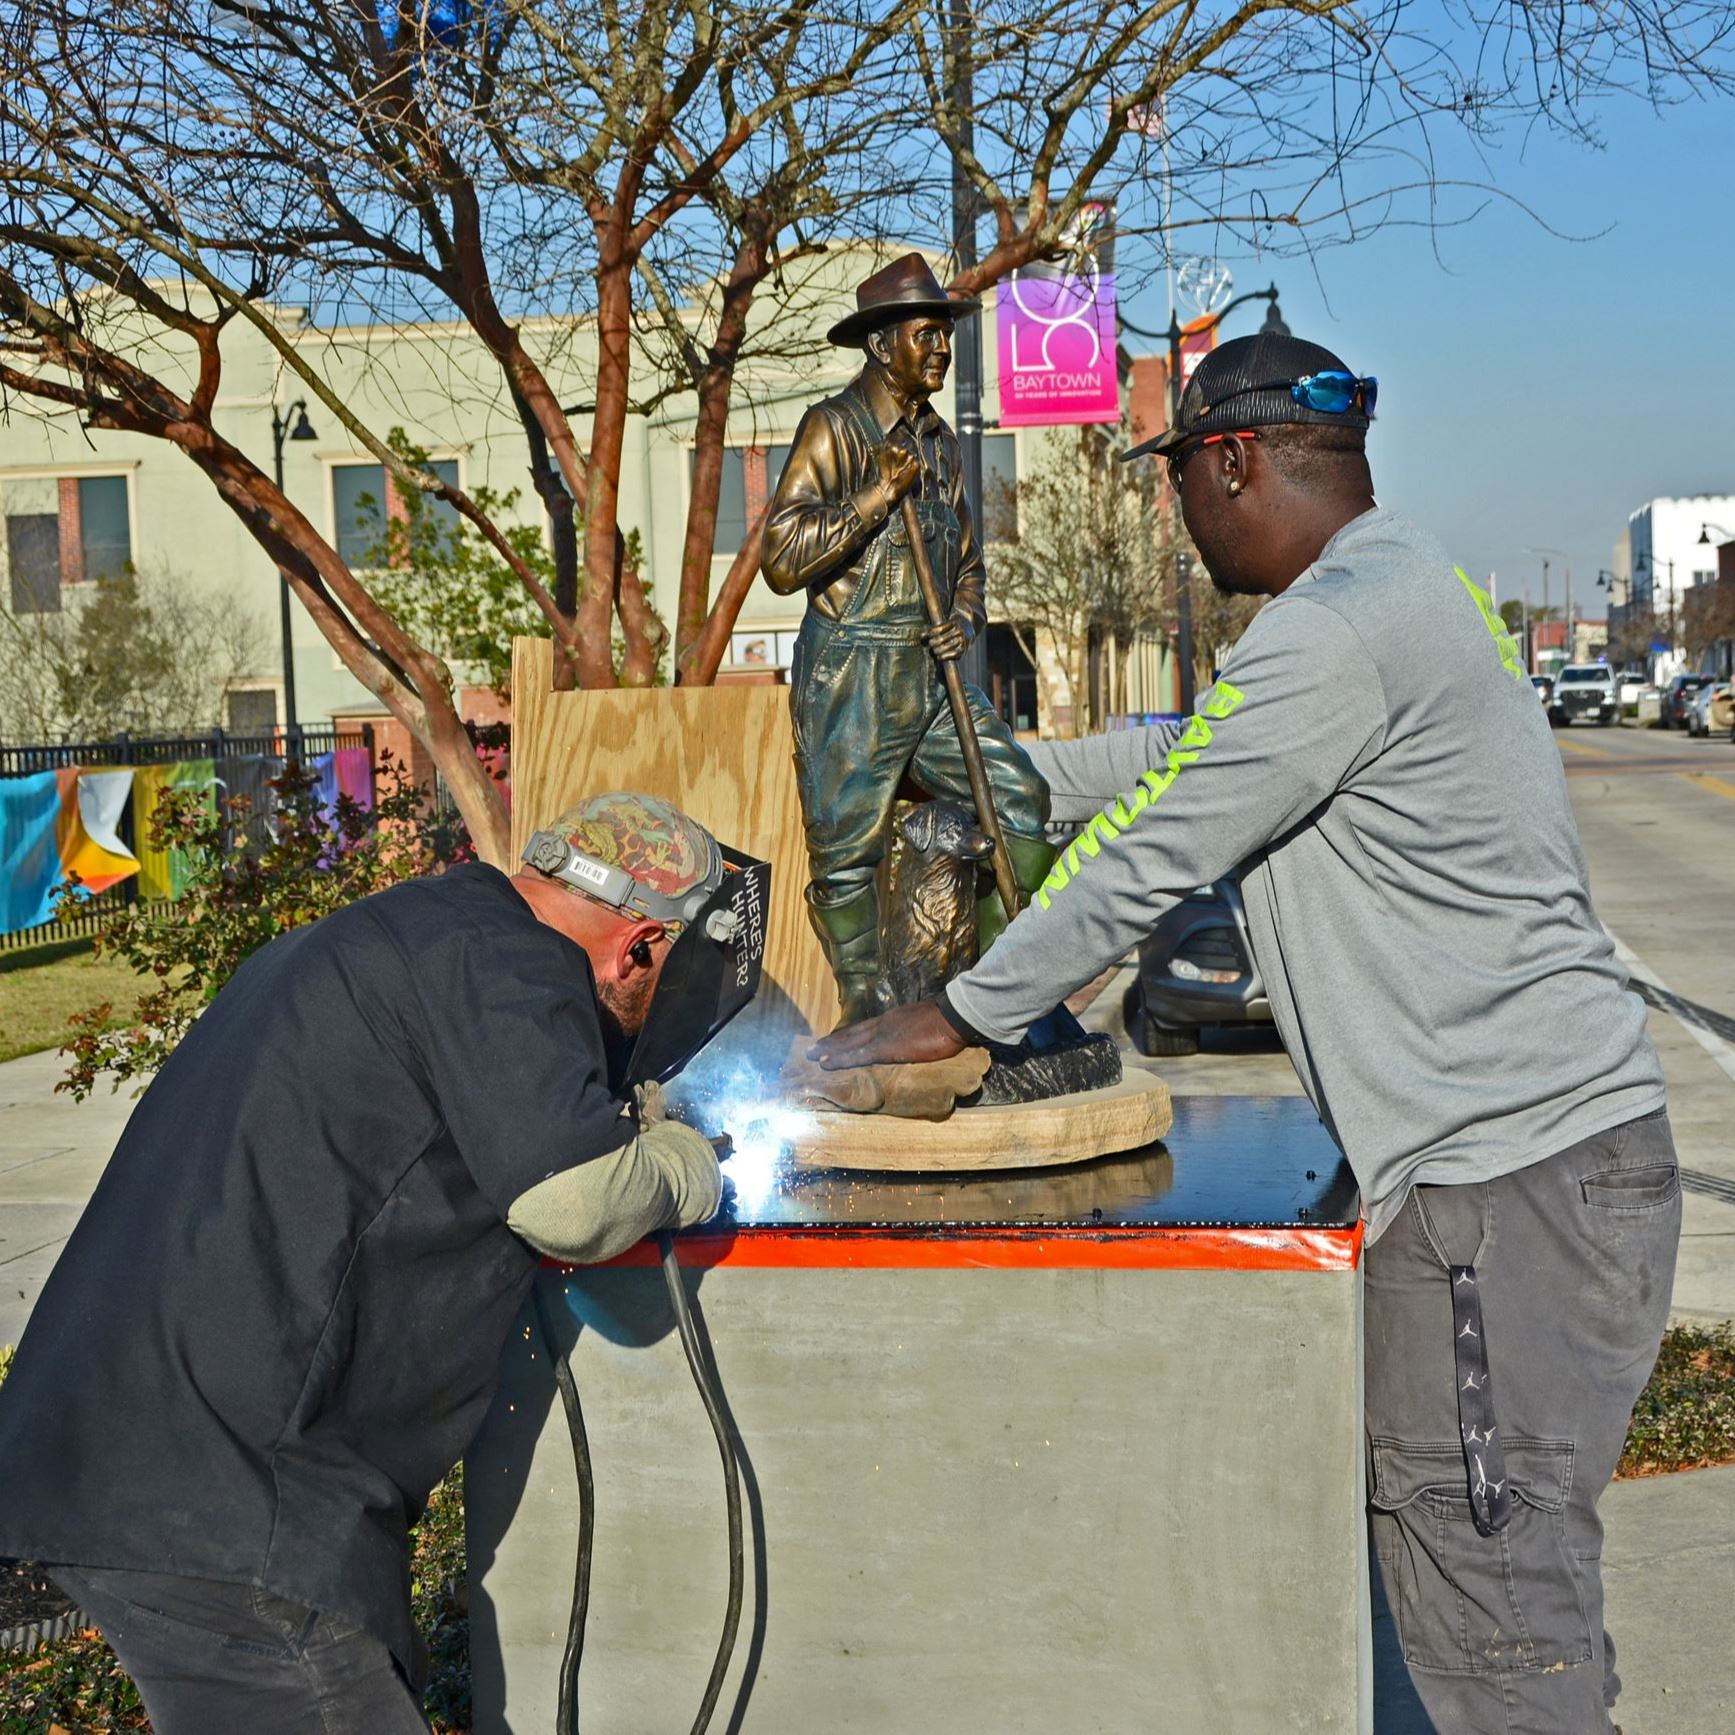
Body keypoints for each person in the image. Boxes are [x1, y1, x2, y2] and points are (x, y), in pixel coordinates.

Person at [812, 331, 1679, 1733]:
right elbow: (1185, 749)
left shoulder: (1335, 631)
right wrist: (983, 774)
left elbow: (1152, 846)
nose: (1180, 516)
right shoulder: (1388, 593)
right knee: (1493, 1610)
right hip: (1541, 1177)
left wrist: (961, 1012)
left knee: (1496, 1642)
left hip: (1498, 1203)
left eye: (1177, 485)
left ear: (1229, 461)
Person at [0, 792, 746, 1733]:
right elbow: (574, 1201)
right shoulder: (513, 961)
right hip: (230, 1496)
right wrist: (687, 1162)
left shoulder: (415, 931)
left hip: (136, 1452)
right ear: (639, 943)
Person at [761, 251, 1053, 1024]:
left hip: (930, 673)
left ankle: (995, 997)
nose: (941, 348)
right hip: (851, 670)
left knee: (1019, 802)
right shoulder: (832, 428)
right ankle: (865, 1008)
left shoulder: (942, 444)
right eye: (926, 334)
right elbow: (781, 559)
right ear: (881, 345)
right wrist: (874, 496)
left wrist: (961, 621)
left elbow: (968, 569)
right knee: (844, 853)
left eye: (944, 335)